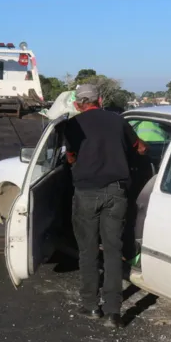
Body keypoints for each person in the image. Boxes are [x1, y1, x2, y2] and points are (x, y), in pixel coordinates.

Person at [64, 84, 146, 328]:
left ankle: (90, 306)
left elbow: (70, 157)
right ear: (100, 99)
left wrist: (79, 160)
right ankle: (113, 312)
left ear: (79, 103)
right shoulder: (118, 121)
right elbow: (140, 148)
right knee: (112, 251)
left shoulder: (73, 125)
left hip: (86, 194)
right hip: (116, 192)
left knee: (88, 251)